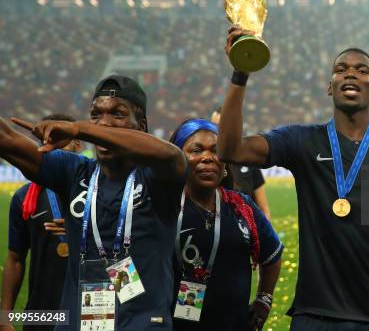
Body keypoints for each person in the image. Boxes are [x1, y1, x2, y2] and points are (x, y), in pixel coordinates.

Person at [217, 26, 369, 330]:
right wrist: (240, 73)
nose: (350, 74)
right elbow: (231, 149)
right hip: (316, 316)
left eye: (362, 70)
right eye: (341, 69)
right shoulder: (302, 142)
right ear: (329, 86)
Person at [0, 75, 187, 330]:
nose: (104, 123)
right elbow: (8, 140)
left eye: (118, 114)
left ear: (141, 125)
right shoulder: (74, 171)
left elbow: (171, 155)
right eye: (96, 114)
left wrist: (82, 129)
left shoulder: (157, 178)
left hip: (141, 324)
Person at [169, 119, 282, 331]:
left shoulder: (242, 206)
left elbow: (272, 255)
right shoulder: (163, 205)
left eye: (216, 151)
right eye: (196, 150)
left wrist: (264, 300)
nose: (208, 158)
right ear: (177, 157)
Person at [1, 114, 81, 331]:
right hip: (42, 312)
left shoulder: (100, 194)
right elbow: (15, 258)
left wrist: (81, 231)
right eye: (48, 141)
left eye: (63, 141)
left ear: (78, 145)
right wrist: (5, 316)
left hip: (90, 310)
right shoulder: (24, 198)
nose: (55, 148)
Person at [211, 107, 272, 220]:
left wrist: (263, 235)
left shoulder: (249, 161)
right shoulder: (207, 163)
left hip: (247, 232)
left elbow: (264, 210)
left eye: (223, 126)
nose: (218, 131)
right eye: (214, 126)